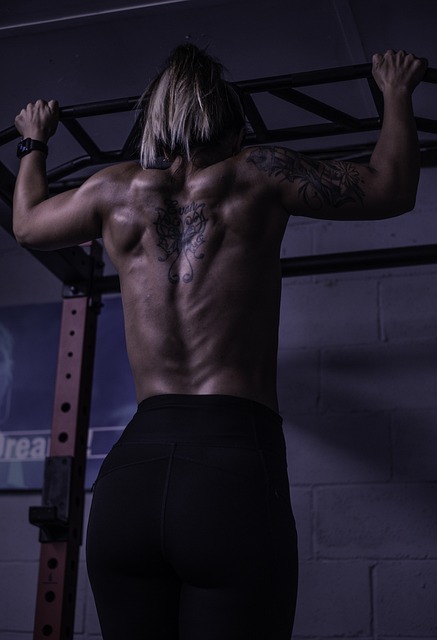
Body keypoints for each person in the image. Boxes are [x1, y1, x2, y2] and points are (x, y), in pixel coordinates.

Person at [13, 45, 426, 639]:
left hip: (132, 476)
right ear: (235, 129)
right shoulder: (259, 172)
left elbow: (27, 225)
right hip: (229, 470)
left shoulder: (111, 191)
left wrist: (34, 142)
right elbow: (392, 187)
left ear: (156, 129)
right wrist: (396, 92)